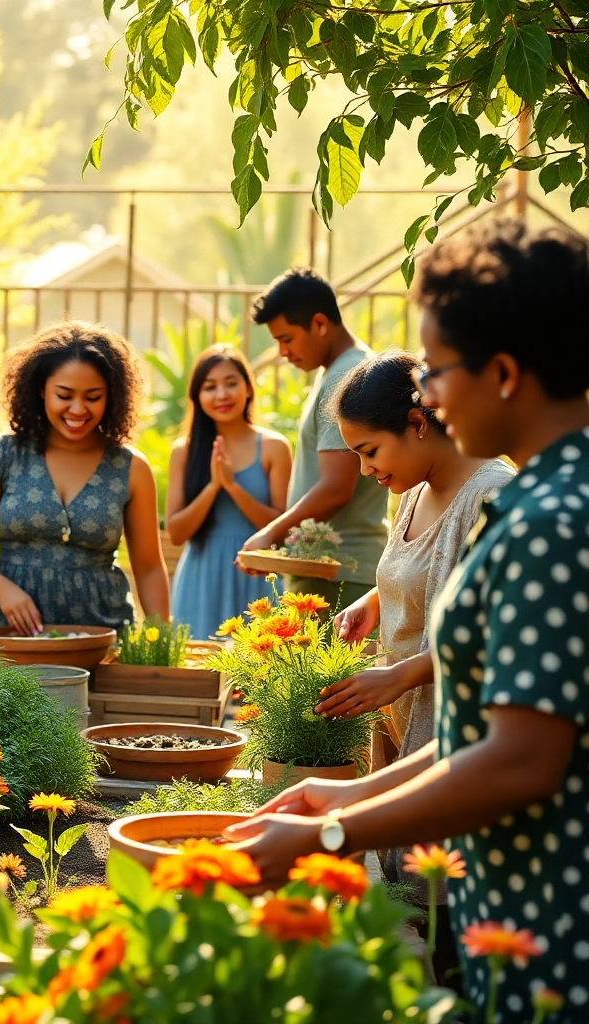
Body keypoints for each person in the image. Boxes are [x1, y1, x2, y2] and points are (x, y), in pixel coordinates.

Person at [225, 219, 589, 1024]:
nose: (423, 394)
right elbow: (479, 739)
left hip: (549, 933)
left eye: (436, 369)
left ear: (501, 373)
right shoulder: (548, 499)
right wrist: (336, 796)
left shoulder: (548, 520)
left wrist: (331, 838)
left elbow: (518, 762)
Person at [320, 349, 514, 985]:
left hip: (455, 738)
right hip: (405, 726)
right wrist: (373, 601)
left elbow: (490, 634)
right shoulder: (415, 485)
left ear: (418, 423)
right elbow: (421, 569)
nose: (365, 468)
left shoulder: (491, 495)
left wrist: (401, 674)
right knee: (413, 908)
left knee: (448, 924)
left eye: (369, 450)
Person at [0, 320, 169, 633]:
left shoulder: (131, 467)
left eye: (93, 397)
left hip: (103, 636)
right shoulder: (3, 454)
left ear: (113, 396)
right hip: (12, 634)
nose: (78, 409)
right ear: (41, 389)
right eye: (64, 395)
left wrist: (162, 640)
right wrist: (3, 590)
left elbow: (148, 568)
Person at [240, 269, 388, 612]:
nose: (282, 352)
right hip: (326, 570)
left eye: (287, 338)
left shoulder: (346, 377)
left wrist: (270, 533)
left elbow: (336, 487)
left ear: (320, 324)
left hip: (339, 575)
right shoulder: (337, 370)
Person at [166, 345, 292, 638]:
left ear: (248, 388)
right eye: (210, 387)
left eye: (231, 383)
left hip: (257, 575)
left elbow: (280, 527)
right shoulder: (183, 452)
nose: (222, 394)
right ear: (197, 396)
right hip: (200, 578)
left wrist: (233, 487)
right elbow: (176, 533)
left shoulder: (274, 447)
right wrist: (213, 486)